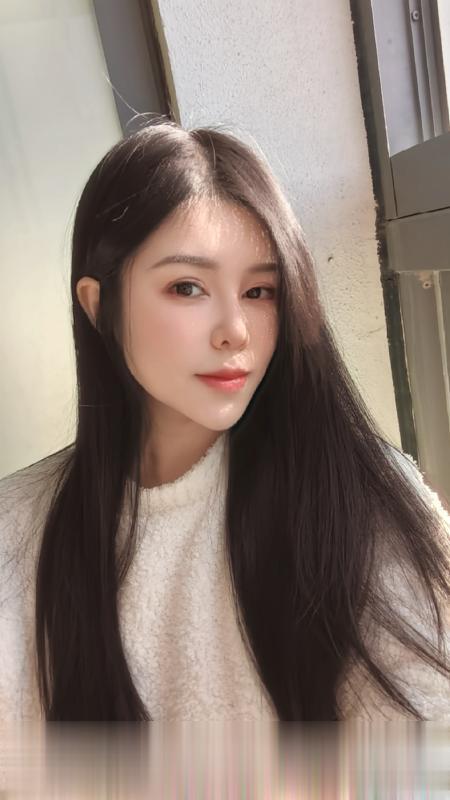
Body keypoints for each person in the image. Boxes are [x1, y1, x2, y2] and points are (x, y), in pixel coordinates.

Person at [0, 118, 449, 722]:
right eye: (187, 287)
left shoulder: (357, 501)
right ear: (99, 304)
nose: (235, 331)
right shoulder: (20, 527)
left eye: (260, 292)